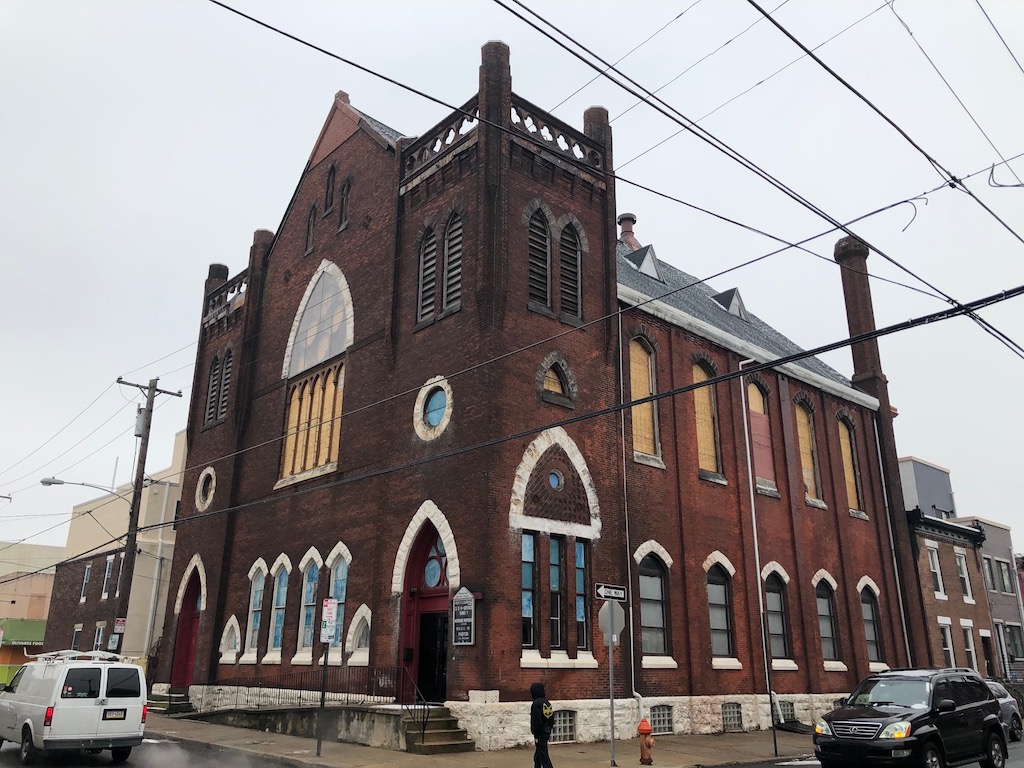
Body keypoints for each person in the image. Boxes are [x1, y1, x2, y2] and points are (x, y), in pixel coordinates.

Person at [530, 681, 554, 768]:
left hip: (540, 733)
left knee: (543, 756)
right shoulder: (547, 703)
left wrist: (535, 732)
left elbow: (536, 720)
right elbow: (551, 718)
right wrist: (549, 729)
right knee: (538, 755)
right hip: (546, 731)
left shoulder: (536, 703)